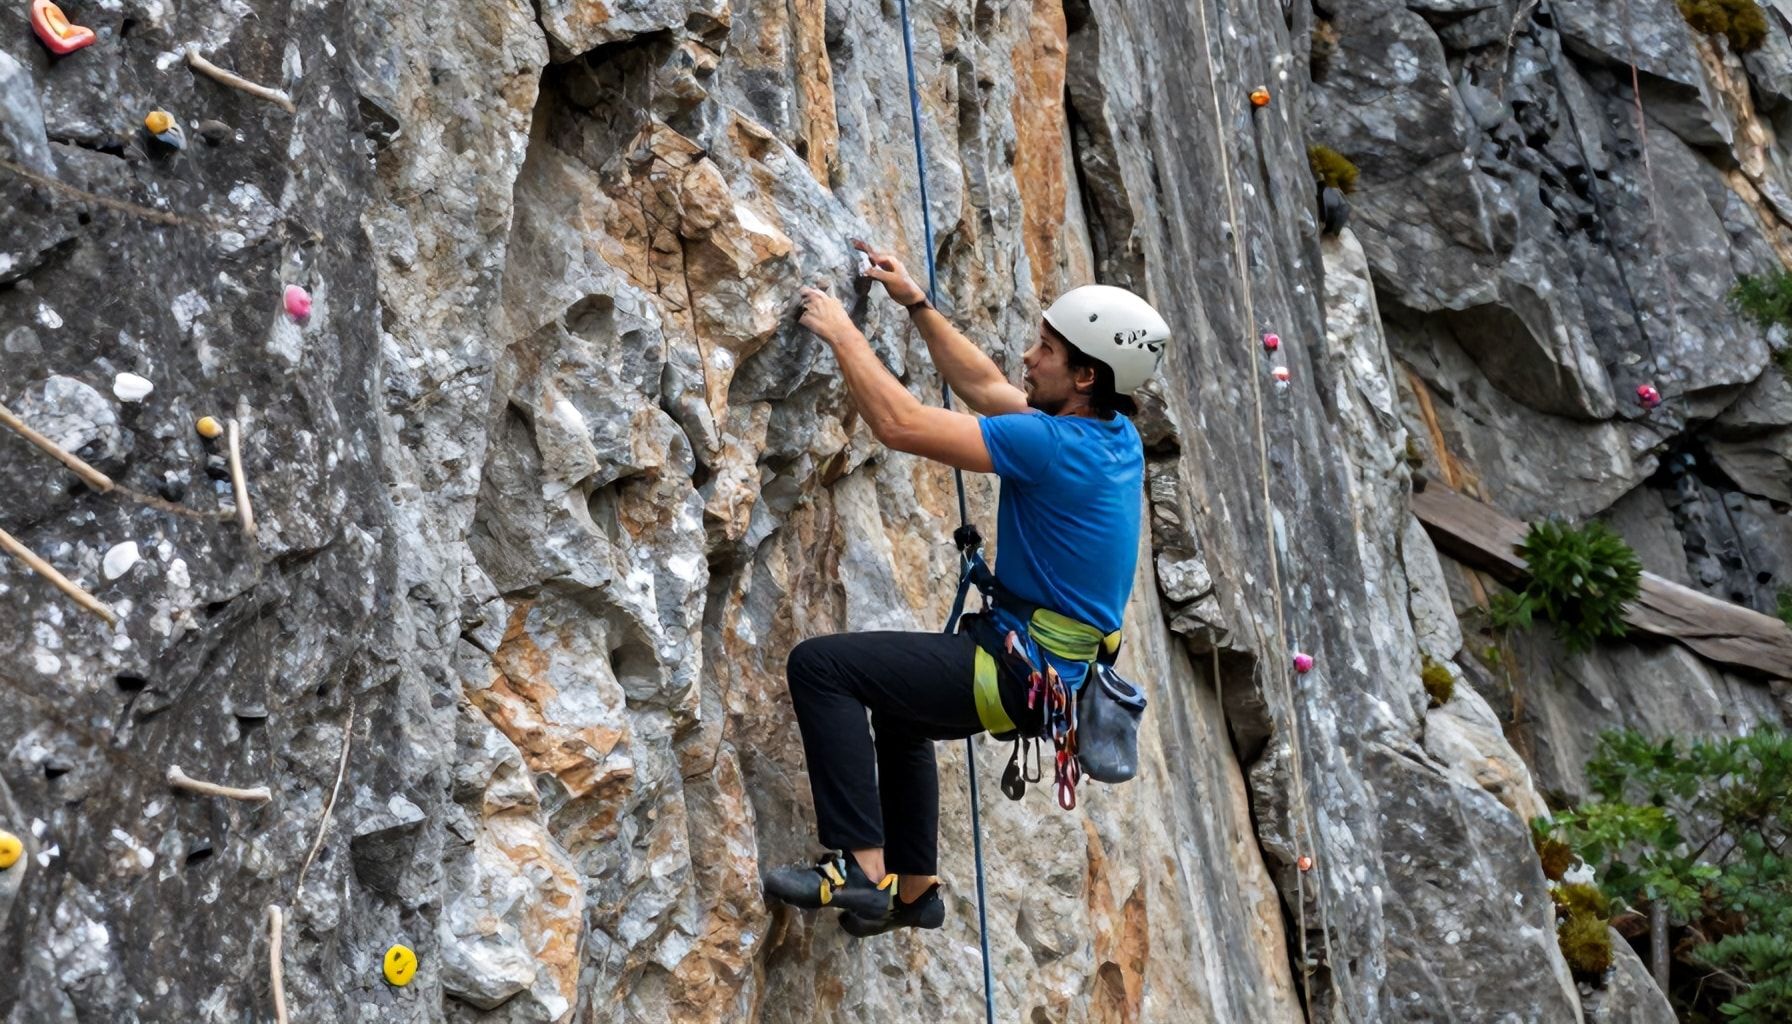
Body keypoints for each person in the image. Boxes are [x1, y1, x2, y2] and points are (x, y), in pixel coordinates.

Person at [761, 239, 1171, 936]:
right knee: (901, 713)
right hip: (1047, 674)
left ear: (1083, 377)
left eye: (1046, 350)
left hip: (1019, 671)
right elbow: (985, 386)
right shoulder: (1111, 433)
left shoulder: (1054, 447)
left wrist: (842, 332)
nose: (1028, 357)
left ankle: (860, 872)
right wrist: (916, 304)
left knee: (822, 667)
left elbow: (900, 425)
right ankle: (916, 891)